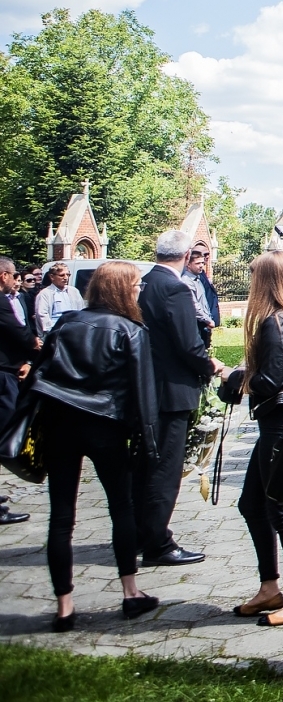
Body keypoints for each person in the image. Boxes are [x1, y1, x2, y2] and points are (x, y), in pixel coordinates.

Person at [31, 261, 161, 630]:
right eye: (135, 286)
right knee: (121, 506)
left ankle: (64, 605)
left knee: (61, 516)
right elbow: (143, 391)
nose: (140, 291)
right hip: (106, 425)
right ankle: (130, 591)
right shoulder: (130, 330)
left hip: (61, 425)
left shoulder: (66, 323)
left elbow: (42, 371)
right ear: (121, 289)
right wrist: (149, 443)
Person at [227, 252, 283, 627]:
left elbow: (270, 381)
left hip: (278, 425)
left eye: (252, 276)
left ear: (264, 280)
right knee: (251, 504)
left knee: (282, 509)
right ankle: (269, 587)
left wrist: (235, 379)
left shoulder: (273, 322)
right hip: (281, 424)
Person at [136, 229, 226, 567]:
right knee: (166, 468)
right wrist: (210, 365)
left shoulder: (146, 282)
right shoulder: (174, 287)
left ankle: (140, 531)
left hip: (149, 386)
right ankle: (158, 542)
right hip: (172, 391)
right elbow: (188, 345)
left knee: (147, 464)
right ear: (187, 255)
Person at [0, 257, 38, 525]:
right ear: (3, 276)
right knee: (5, 436)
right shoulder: (1, 302)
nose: (16, 281)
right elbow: (19, 333)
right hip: (3, 375)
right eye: (13, 276)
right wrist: (34, 350)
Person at [181, 242, 220, 347]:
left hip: (203, 324)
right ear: (188, 264)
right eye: (198, 263)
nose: (201, 266)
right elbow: (194, 305)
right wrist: (207, 320)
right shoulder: (187, 281)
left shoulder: (197, 279)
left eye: (202, 263)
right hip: (197, 324)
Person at [34, 262, 84, 338]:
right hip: (55, 334)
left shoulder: (74, 291)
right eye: (62, 275)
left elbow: (81, 311)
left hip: (74, 332)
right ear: (52, 277)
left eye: (68, 275)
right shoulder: (45, 294)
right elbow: (42, 316)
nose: (66, 277)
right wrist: (52, 333)